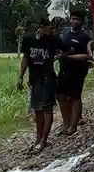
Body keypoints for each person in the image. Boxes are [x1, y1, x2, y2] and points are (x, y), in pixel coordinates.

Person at [18, 19, 62, 153]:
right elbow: (26, 57)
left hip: (48, 78)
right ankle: (38, 138)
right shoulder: (29, 39)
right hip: (34, 78)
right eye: (50, 27)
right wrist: (20, 76)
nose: (52, 30)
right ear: (42, 27)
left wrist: (56, 58)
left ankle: (44, 140)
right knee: (37, 109)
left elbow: (68, 49)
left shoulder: (53, 39)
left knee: (47, 108)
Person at [56, 9, 94, 138]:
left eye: (77, 19)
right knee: (61, 95)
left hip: (78, 71)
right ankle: (65, 124)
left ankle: (73, 126)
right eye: (72, 19)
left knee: (74, 97)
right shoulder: (65, 33)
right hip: (64, 69)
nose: (74, 21)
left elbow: (88, 56)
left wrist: (67, 57)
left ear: (82, 21)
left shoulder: (85, 36)